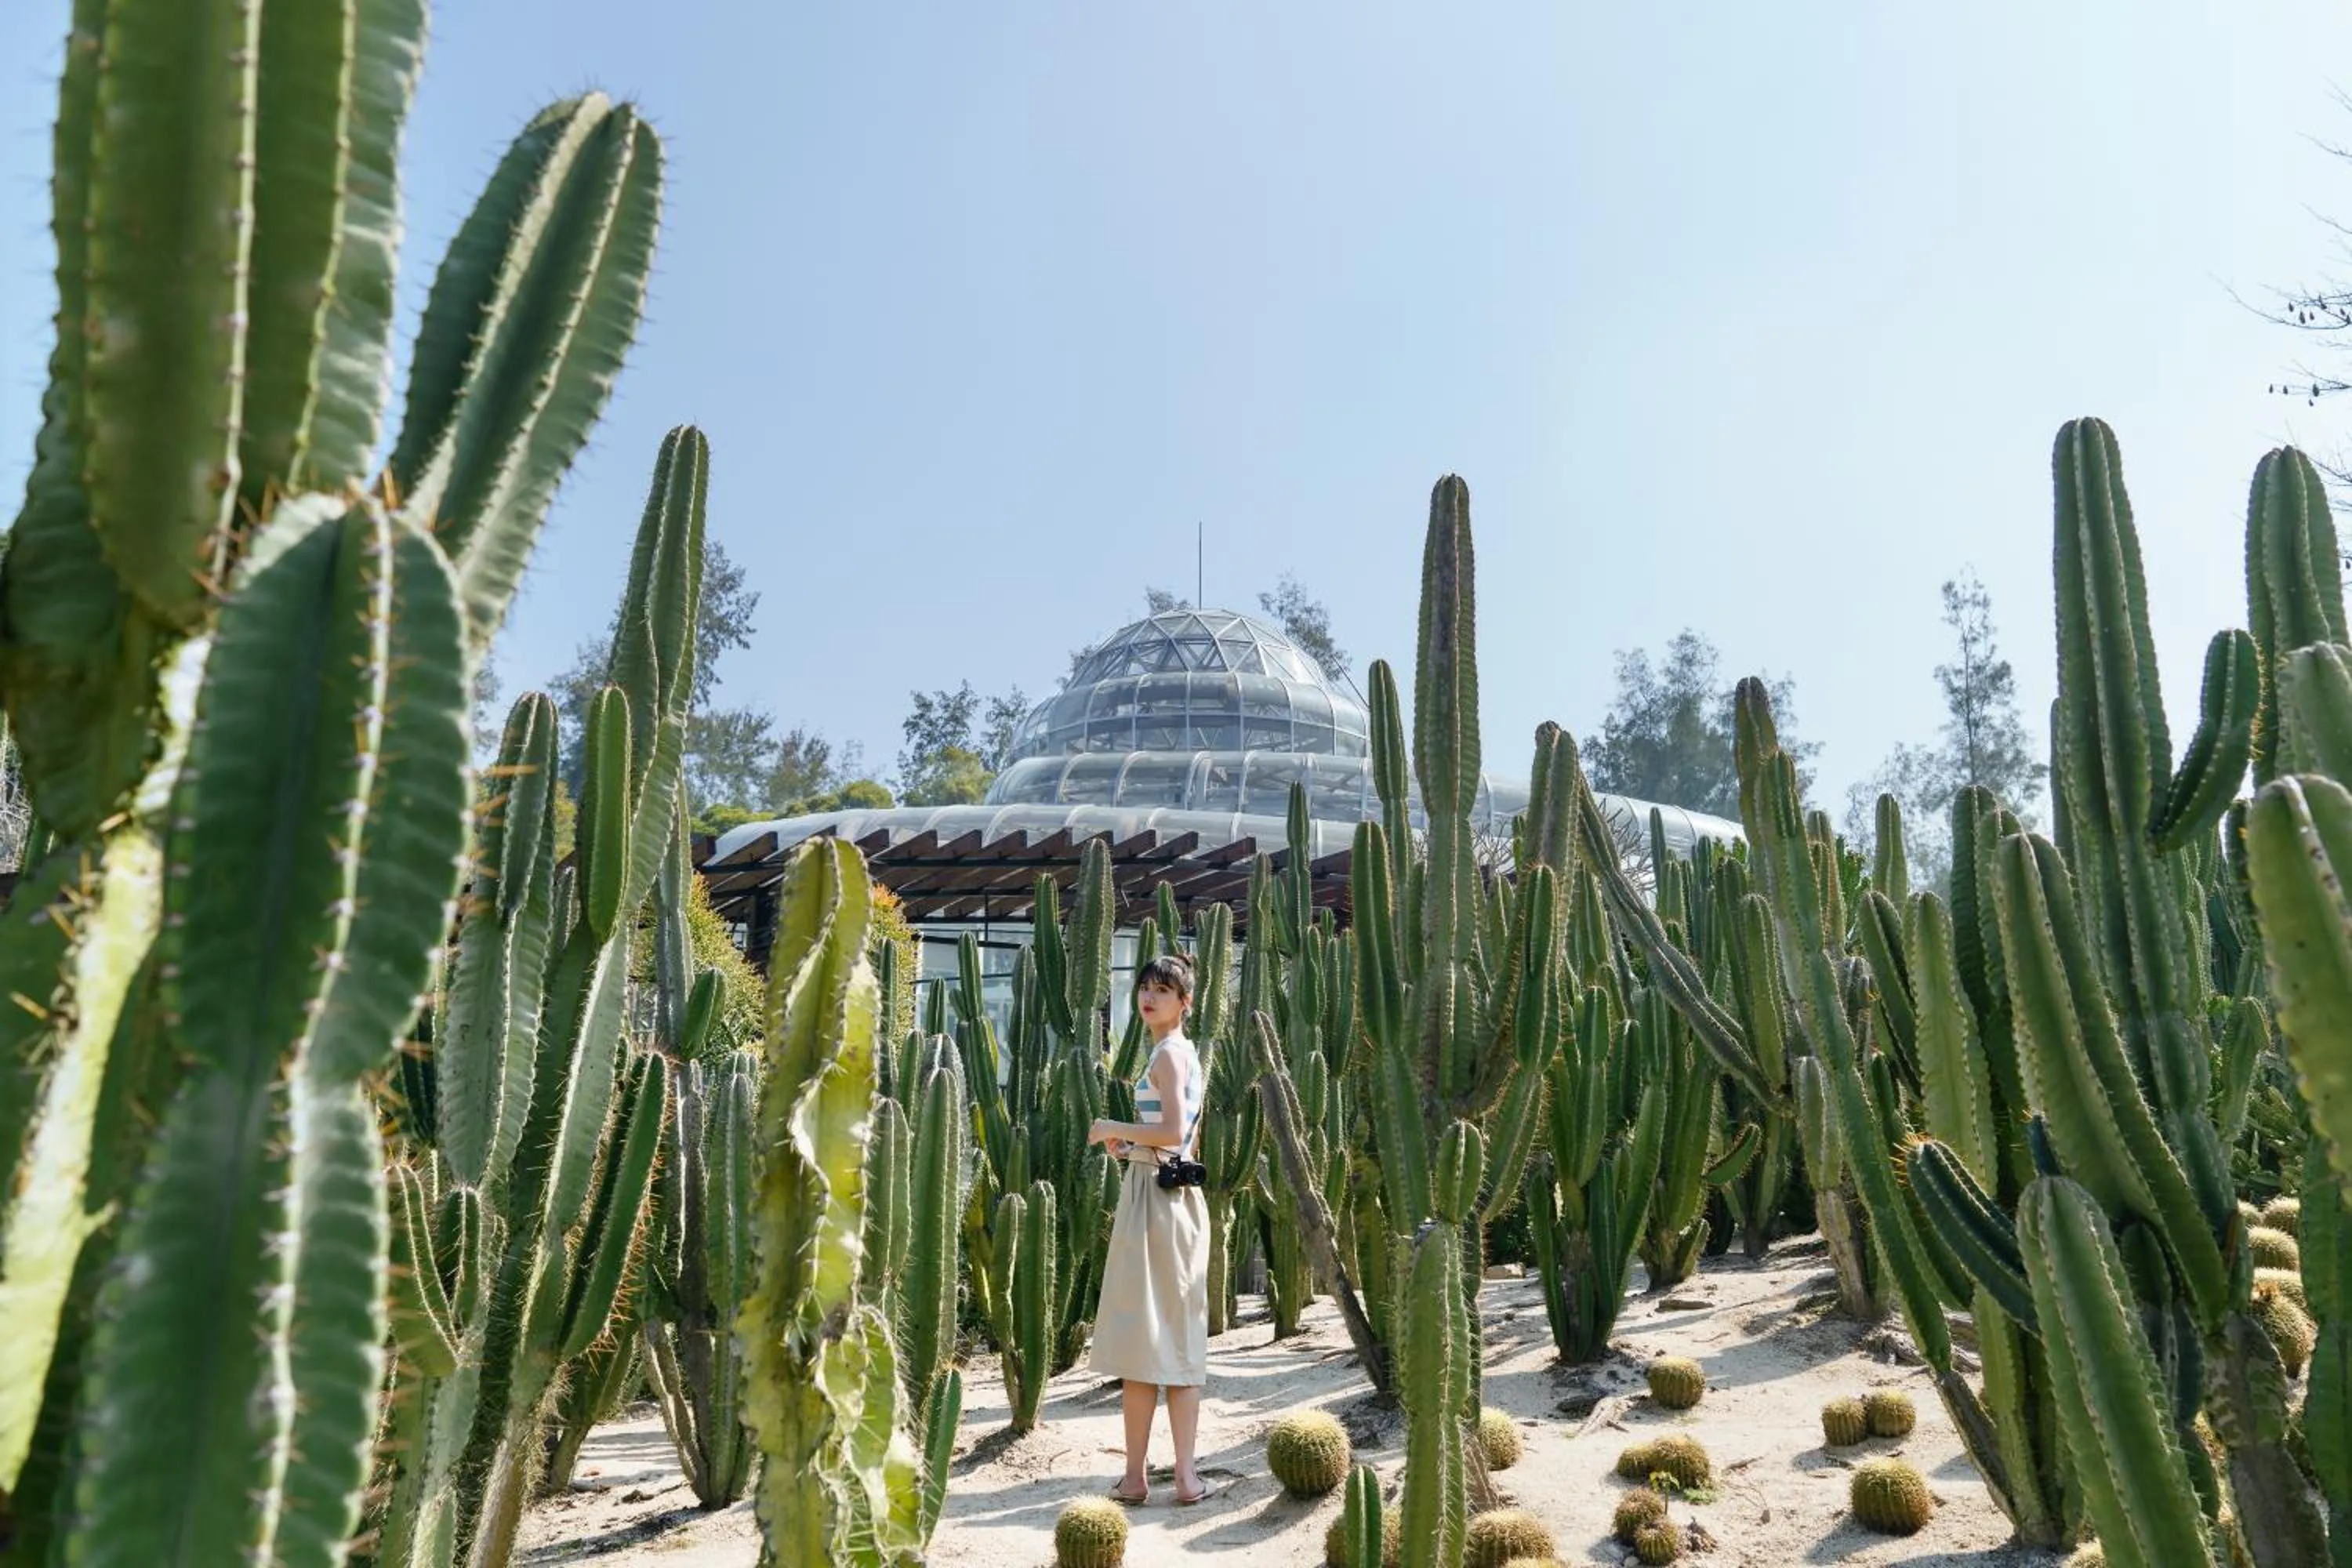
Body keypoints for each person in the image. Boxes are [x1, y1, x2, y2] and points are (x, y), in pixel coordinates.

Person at [1083, 952, 1213, 1506]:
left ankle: (1150, 1477)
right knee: (1170, 1339)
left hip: (1157, 1204)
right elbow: (1187, 1141)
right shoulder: (1180, 1053)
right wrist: (1131, 1146)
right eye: (1145, 987)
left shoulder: (1168, 1055)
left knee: (1149, 1340)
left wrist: (1112, 1126)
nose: (1150, 997)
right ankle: (1171, 1477)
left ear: (1185, 1003)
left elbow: (1174, 1128)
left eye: (1164, 990)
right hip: (1170, 1194)